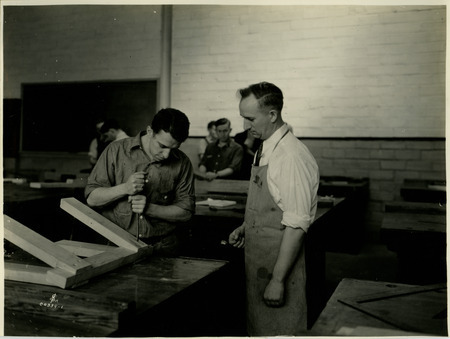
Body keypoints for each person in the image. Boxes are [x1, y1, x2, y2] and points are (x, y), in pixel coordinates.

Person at [228, 82, 320, 336]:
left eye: (250, 119)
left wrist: (278, 281)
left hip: (279, 269)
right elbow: (274, 204)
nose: (245, 127)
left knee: (280, 330)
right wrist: (248, 226)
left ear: (272, 114)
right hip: (259, 262)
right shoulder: (266, 147)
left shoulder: (290, 156)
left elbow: (297, 223)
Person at [85, 108, 195, 256]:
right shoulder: (116, 151)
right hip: (117, 243)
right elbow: (92, 199)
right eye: (162, 146)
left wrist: (149, 208)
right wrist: (124, 188)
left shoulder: (182, 162)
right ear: (150, 131)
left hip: (163, 246)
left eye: (174, 148)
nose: (166, 155)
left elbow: (186, 212)